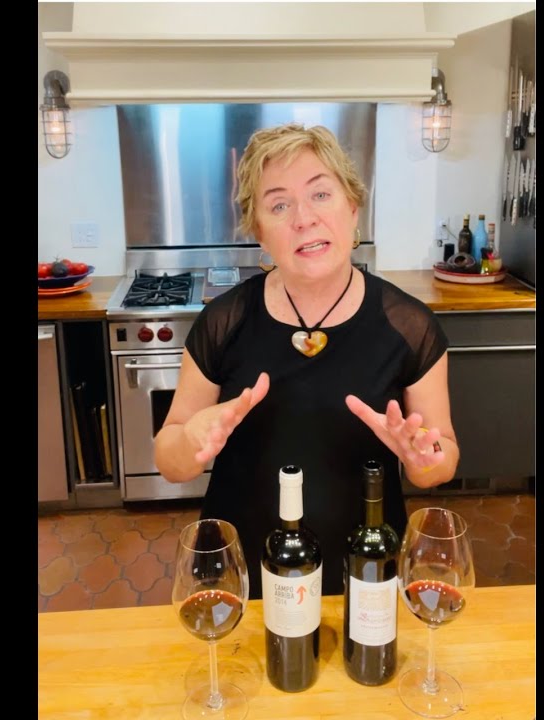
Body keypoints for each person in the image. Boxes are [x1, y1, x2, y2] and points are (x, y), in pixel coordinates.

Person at [155, 123, 458, 599]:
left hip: (365, 571)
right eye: (279, 205)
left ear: (353, 207)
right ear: (260, 232)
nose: (304, 218)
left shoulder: (410, 327)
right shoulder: (222, 322)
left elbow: (443, 458)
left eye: (320, 194)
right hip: (242, 575)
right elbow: (170, 458)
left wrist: (423, 458)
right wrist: (189, 442)